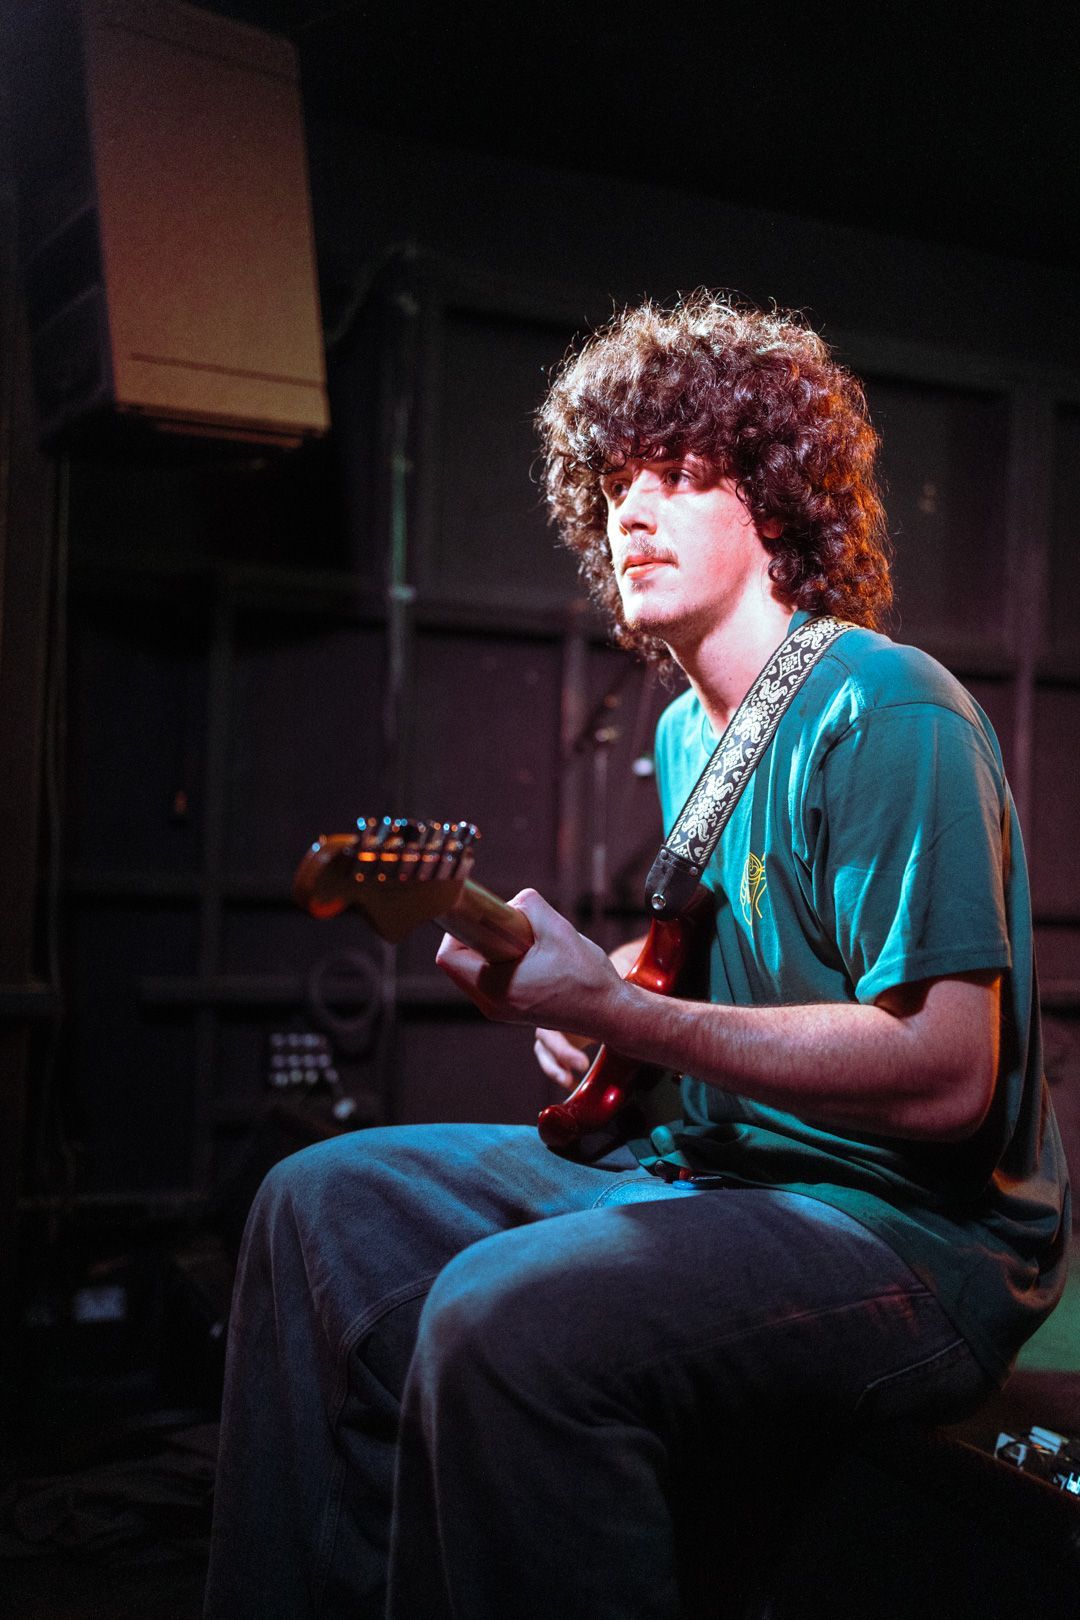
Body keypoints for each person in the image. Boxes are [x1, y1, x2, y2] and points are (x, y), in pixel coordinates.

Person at [204, 295, 1070, 1620]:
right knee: (317, 1205)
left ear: (774, 499)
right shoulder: (687, 734)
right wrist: (593, 1005)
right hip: (715, 1172)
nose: (632, 513)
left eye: (677, 473)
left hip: (913, 1238)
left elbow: (947, 1073)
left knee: (501, 1322)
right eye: (614, 484)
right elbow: (753, 962)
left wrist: (622, 1011)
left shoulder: (887, 709)